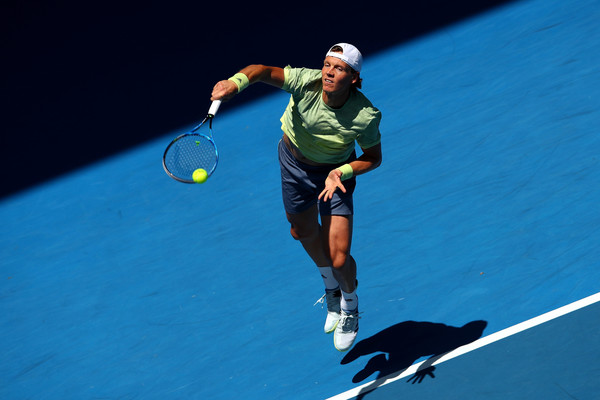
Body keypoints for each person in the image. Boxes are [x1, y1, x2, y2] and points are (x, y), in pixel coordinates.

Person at [211, 43, 382, 352]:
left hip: (334, 177)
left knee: (340, 257)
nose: (329, 71)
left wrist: (342, 172)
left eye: (339, 68)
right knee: (300, 231)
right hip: (293, 166)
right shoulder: (306, 81)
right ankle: (330, 288)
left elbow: (373, 157)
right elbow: (261, 71)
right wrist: (234, 83)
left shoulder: (365, 115)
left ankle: (350, 306)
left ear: (354, 78)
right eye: (327, 64)